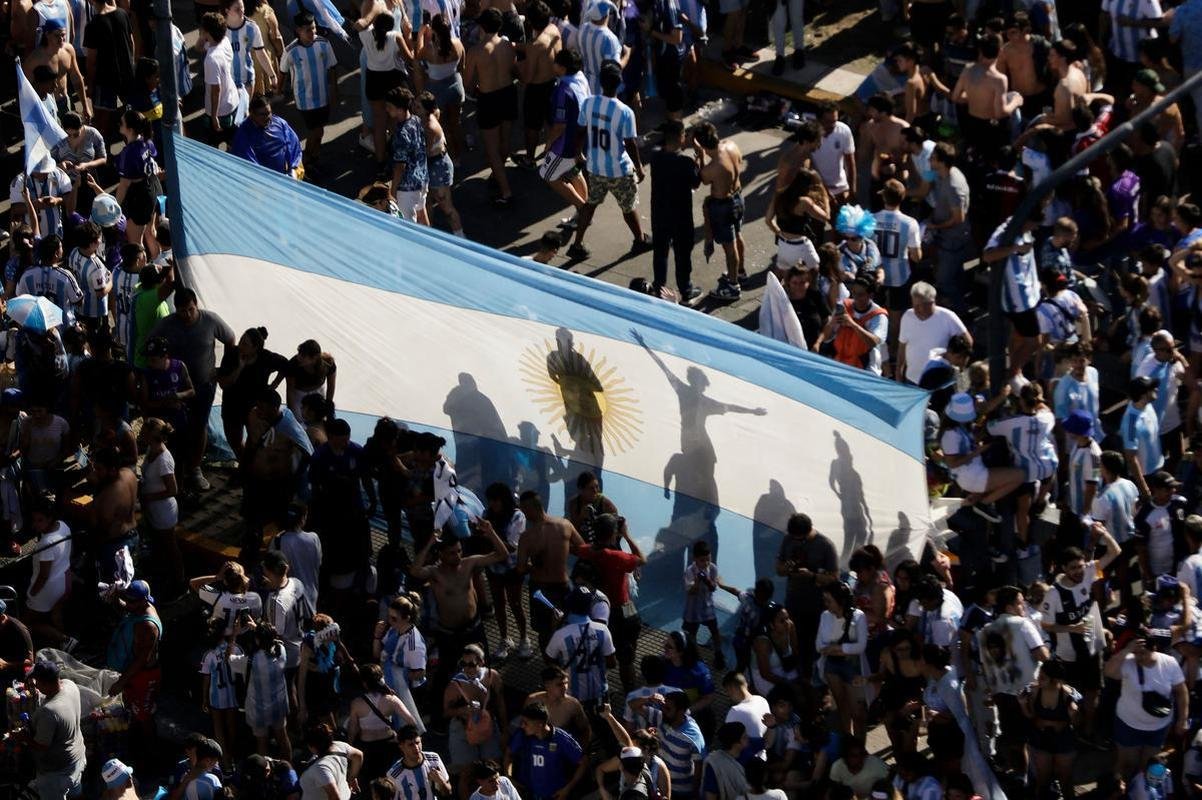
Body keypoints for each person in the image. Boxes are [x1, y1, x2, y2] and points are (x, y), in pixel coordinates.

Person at [148, 288, 235, 490]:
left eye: (190, 309)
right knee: (175, 428)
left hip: (204, 385)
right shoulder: (168, 324)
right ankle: (173, 468)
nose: (187, 315)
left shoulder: (210, 321)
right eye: (182, 311)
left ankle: (195, 468)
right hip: (176, 388)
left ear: (196, 305)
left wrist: (222, 369)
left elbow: (230, 340)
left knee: (199, 426)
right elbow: (150, 343)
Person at [1041, 531, 1122, 739]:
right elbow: (1047, 625)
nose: (1078, 571)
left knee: (1094, 690)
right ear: (1063, 569)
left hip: (1093, 642)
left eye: (1080, 566)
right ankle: (1072, 729)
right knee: (1073, 693)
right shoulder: (1054, 594)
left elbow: (1115, 551)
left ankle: (1089, 729)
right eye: (1073, 568)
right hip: (1069, 653)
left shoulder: (1088, 572)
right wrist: (1071, 628)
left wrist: (1103, 533)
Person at [567, 60, 648, 261]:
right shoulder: (624, 112)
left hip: (595, 167)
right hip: (618, 169)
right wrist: (639, 167)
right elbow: (630, 144)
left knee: (590, 204)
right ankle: (639, 240)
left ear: (601, 83)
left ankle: (577, 245)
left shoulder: (589, 103)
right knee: (628, 206)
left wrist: (578, 153)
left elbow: (580, 131)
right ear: (619, 83)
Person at [1107, 632, 1188, 778]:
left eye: (1143, 653)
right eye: (1135, 653)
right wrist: (1126, 651)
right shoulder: (1127, 661)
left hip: (1158, 728)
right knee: (1127, 764)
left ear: (1154, 648)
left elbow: (1181, 692)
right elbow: (1109, 672)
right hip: (1129, 725)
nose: (1138, 657)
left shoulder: (1169, 663)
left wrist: (1182, 719)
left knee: (1147, 764)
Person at [516, 491, 583, 651]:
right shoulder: (565, 525)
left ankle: (551, 664)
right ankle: (567, 659)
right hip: (564, 585)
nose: (523, 514)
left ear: (530, 509)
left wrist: (534, 566)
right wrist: (563, 550)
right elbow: (582, 548)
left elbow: (521, 568)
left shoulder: (527, 537)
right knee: (567, 625)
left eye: (523, 510)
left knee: (545, 632)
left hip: (541, 588)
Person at [465, 8, 517, 206]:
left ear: (482, 26)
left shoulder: (476, 51)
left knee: (491, 149)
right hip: (508, 93)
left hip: (489, 98)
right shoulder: (507, 45)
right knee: (504, 141)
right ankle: (499, 174)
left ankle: (506, 192)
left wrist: (478, 85)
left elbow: (468, 81)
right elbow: (512, 69)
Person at [650, 119, 701, 302]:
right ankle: (685, 289)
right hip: (681, 217)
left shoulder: (655, 157)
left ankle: (659, 287)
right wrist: (699, 155)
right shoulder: (686, 163)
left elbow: (658, 146)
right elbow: (696, 182)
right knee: (682, 254)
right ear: (681, 137)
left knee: (660, 253)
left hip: (659, 213)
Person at [280, 12, 338, 168]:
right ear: (298, 31)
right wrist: (279, 90)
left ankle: (314, 156)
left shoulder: (324, 44)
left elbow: (332, 68)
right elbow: (283, 71)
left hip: (323, 97)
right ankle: (304, 159)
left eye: (313, 28)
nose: (312, 33)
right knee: (316, 130)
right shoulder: (291, 50)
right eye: (308, 30)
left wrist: (334, 91)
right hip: (305, 100)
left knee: (320, 130)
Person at [539, 48, 590, 220]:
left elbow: (559, 125)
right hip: (580, 140)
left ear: (562, 67)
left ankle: (582, 209)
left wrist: (548, 144)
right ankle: (583, 211)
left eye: (556, 62)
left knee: (548, 175)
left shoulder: (562, 90)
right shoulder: (581, 78)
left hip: (565, 145)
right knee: (574, 172)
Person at [27, 660, 86, 800]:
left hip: (59, 772)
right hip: (78, 758)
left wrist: (23, 738)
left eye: (37, 682)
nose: (36, 685)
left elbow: (41, 746)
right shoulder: (70, 685)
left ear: (46, 684)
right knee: (75, 791)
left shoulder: (49, 712)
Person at [926, 143, 973, 317]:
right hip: (944, 236)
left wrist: (935, 226)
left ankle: (962, 313)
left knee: (945, 281)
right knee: (953, 275)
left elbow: (958, 218)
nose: (930, 159)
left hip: (953, 239)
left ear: (941, 162)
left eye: (933, 158)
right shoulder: (940, 175)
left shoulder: (954, 185)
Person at [506, 703, 586, 800]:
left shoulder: (561, 738)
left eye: (526, 723)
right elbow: (509, 754)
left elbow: (583, 762)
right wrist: (509, 778)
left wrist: (567, 789)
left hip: (553, 795)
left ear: (540, 724)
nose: (522, 726)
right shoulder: (522, 735)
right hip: (527, 793)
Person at [230, 95, 304, 177]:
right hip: (261, 183)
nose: (268, 117)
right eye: (263, 114)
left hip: (285, 177)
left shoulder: (280, 123)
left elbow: (294, 146)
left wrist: (293, 171)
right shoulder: (244, 133)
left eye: (269, 113)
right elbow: (248, 163)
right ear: (252, 114)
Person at [385, 87, 429, 223]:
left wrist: (393, 192)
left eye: (390, 107)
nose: (387, 109)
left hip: (407, 188)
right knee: (422, 214)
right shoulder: (416, 120)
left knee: (407, 225)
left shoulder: (401, 134)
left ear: (400, 109)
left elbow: (400, 166)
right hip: (422, 179)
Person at [197, 11, 240, 144]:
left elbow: (216, 90)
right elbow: (199, 48)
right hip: (233, 101)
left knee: (213, 143)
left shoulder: (211, 59)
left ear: (207, 32)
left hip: (220, 111)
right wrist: (203, 35)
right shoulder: (224, 41)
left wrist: (214, 116)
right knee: (233, 140)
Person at [1124, 375, 1165, 498]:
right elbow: (1131, 458)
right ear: (1143, 395)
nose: (1157, 390)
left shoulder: (1148, 406)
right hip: (1146, 477)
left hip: (1158, 467)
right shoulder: (1131, 422)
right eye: (1152, 389)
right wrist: (1144, 488)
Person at [300, 722, 364, 800]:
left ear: (312, 747)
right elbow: (358, 755)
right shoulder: (340, 746)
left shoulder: (321, 768)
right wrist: (352, 778)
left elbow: (335, 797)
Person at [702, 722, 750, 800]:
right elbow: (710, 795)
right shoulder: (715, 763)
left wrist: (771, 726)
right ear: (736, 743)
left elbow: (767, 742)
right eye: (744, 737)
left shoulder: (748, 750)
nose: (748, 737)